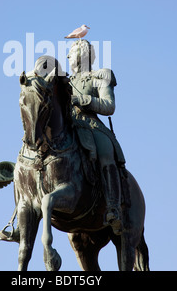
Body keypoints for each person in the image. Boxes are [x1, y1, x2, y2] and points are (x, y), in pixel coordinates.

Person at [67, 39, 126, 234]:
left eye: (72, 52)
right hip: (69, 126)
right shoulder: (65, 81)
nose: (68, 56)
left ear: (83, 55)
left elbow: (109, 106)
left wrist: (83, 99)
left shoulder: (100, 76)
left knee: (105, 153)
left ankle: (113, 208)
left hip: (92, 126)